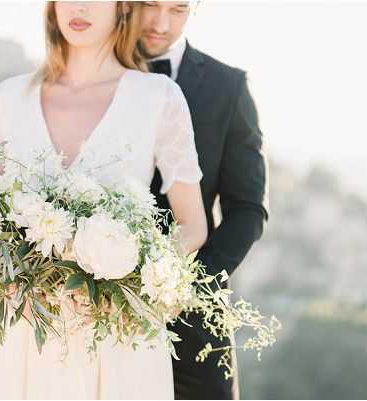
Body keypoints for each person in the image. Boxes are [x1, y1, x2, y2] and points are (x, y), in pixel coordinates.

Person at [0, 1, 207, 399]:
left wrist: (132, 281)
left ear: (122, 7)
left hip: (120, 337)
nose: (79, 6)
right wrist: (11, 287)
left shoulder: (158, 97)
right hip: (32, 336)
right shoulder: (7, 98)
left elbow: (193, 224)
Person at [140, 2, 270, 399]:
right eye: (149, 4)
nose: (161, 23)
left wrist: (186, 287)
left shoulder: (227, 86)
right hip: (92, 305)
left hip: (193, 319)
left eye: (178, 9)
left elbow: (248, 208)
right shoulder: (94, 79)